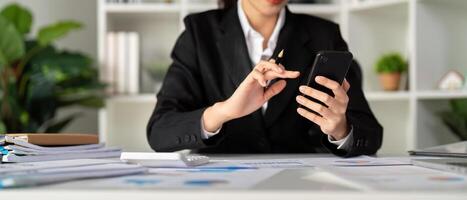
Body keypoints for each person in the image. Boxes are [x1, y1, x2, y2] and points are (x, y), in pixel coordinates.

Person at [147, 0, 383, 157]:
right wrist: (224, 111)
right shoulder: (199, 32)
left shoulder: (325, 35)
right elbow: (159, 131)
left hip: (302, 186)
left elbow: (372, 135)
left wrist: (340, 129)